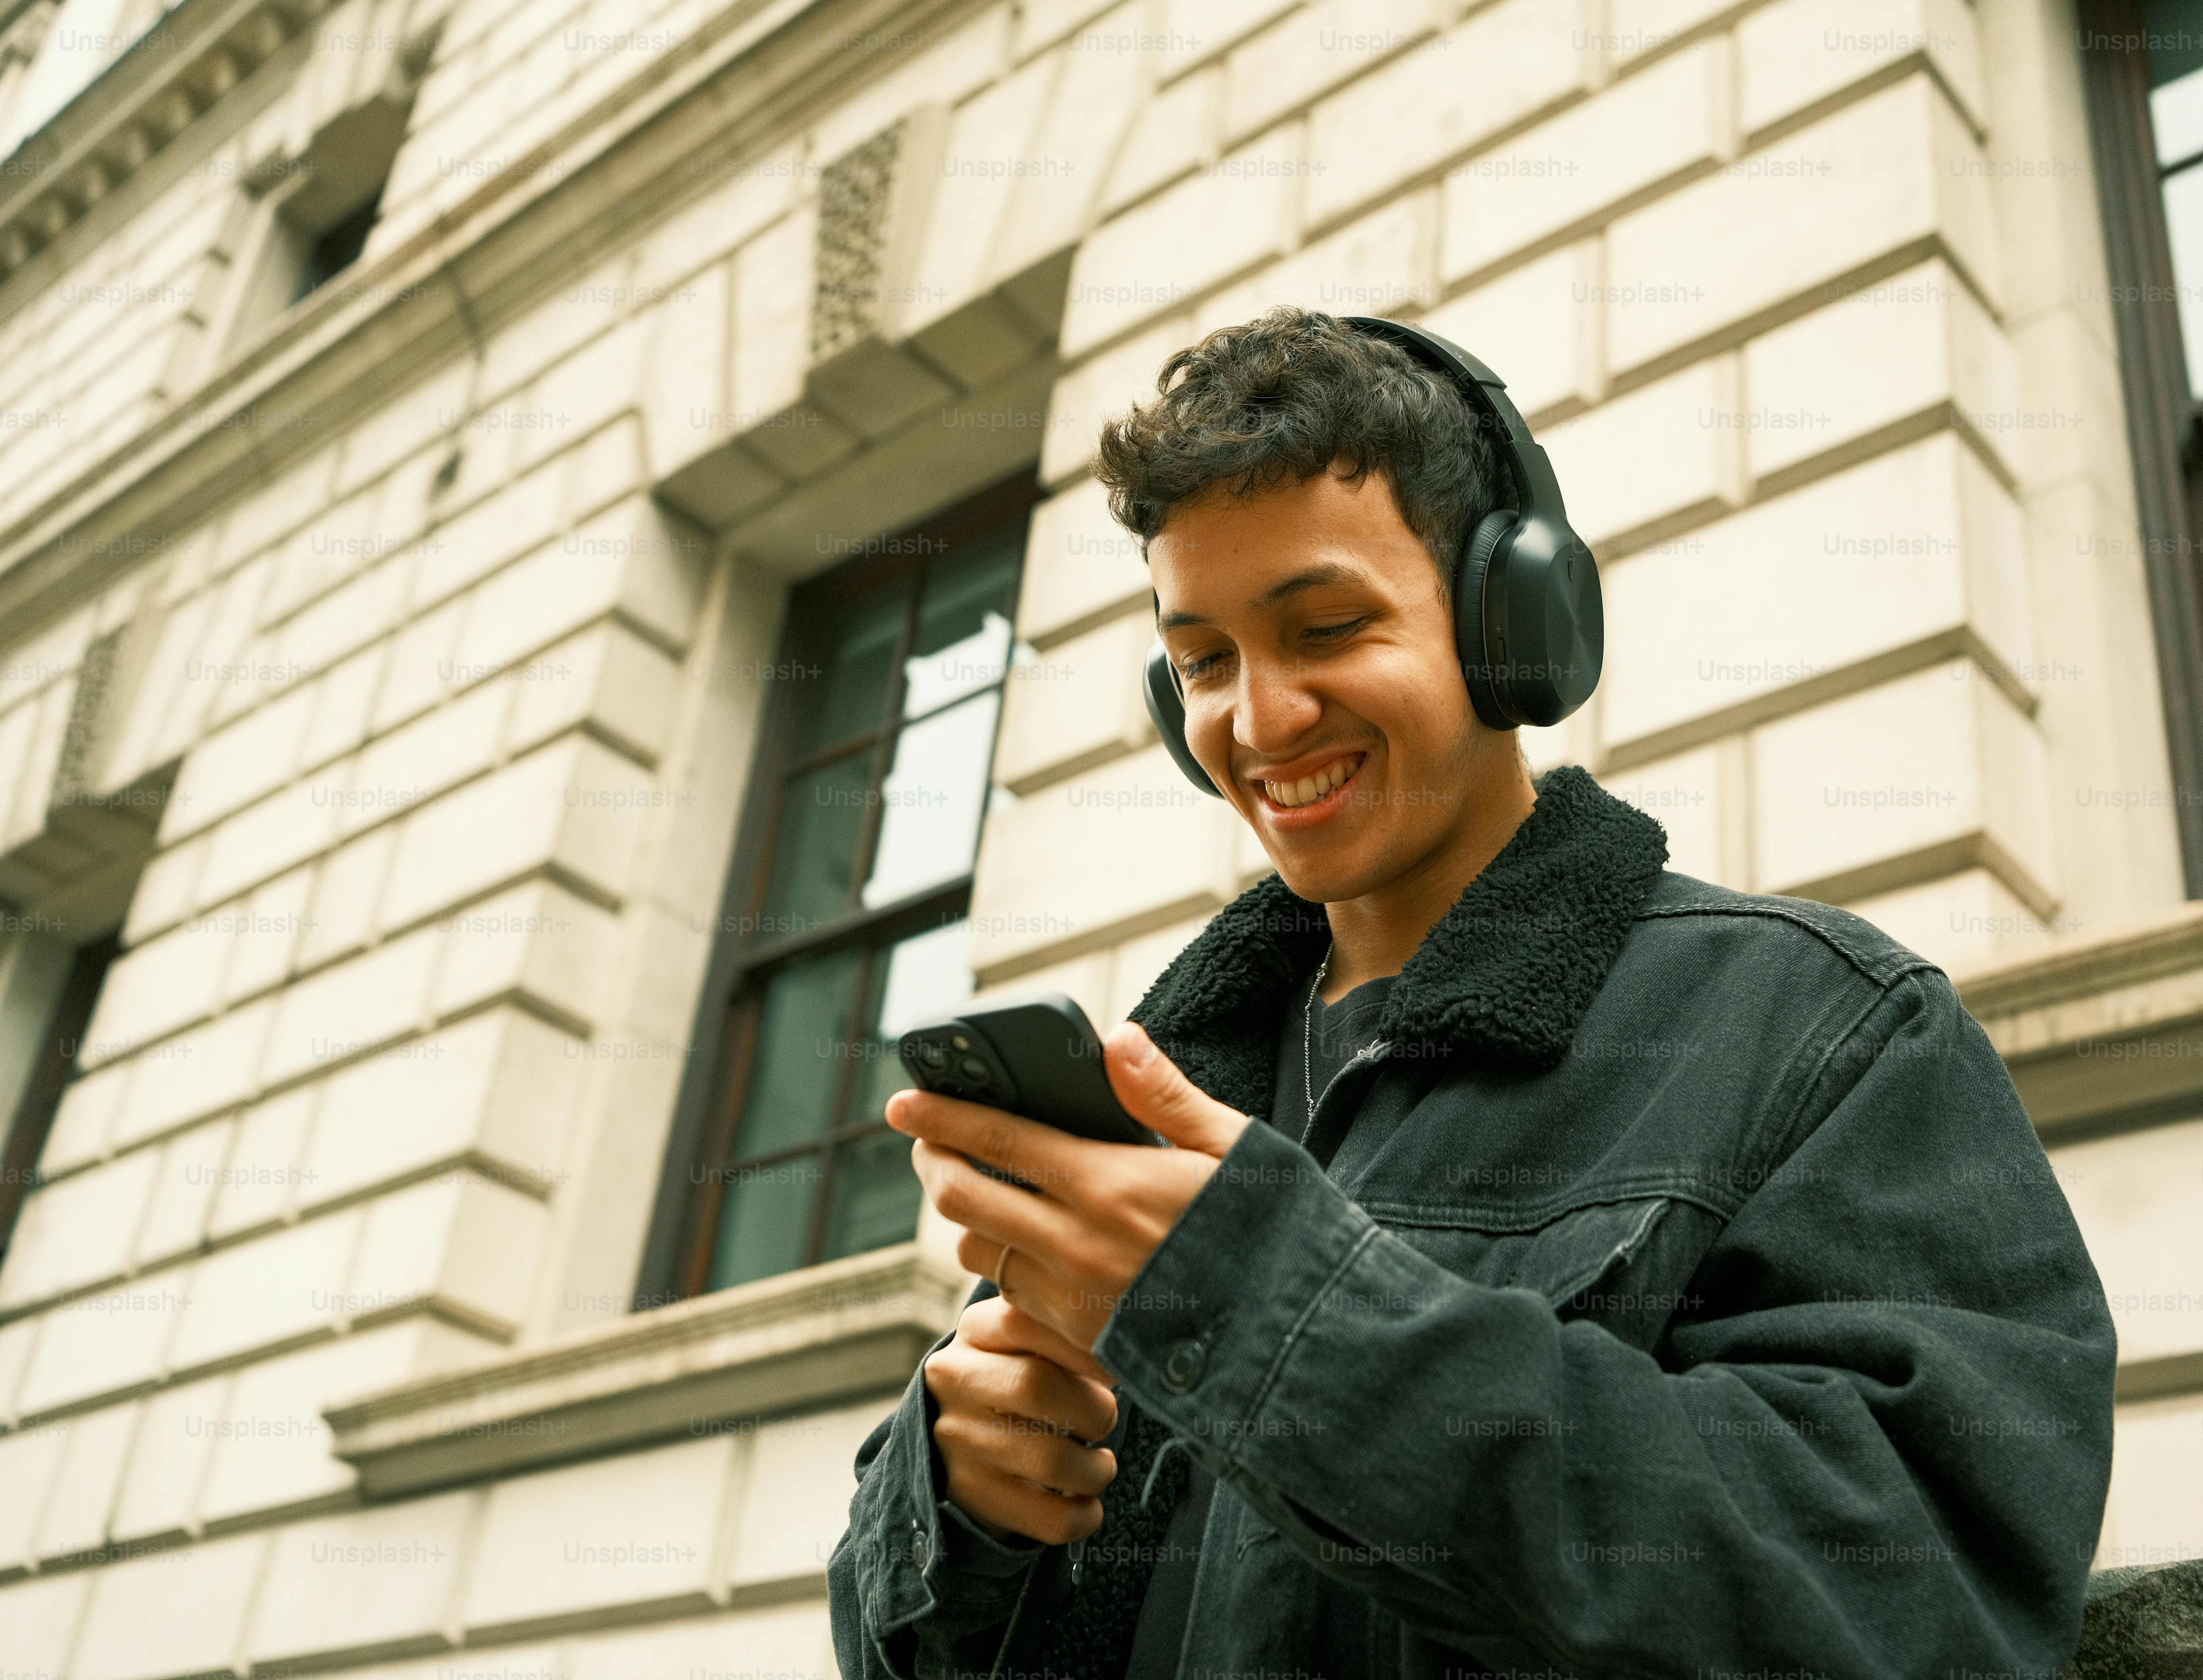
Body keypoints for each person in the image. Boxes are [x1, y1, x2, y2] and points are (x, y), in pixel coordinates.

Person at [828, 305, 2116, 1680]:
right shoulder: (1162, 1098)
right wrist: (954, 1503)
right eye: (1203, 662)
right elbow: (883, 1637)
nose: (1257, 722)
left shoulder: (1824, 1033)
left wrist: (1270, 1309)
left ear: (1517, 623)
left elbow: (1918, 1609)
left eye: (1325, 627)